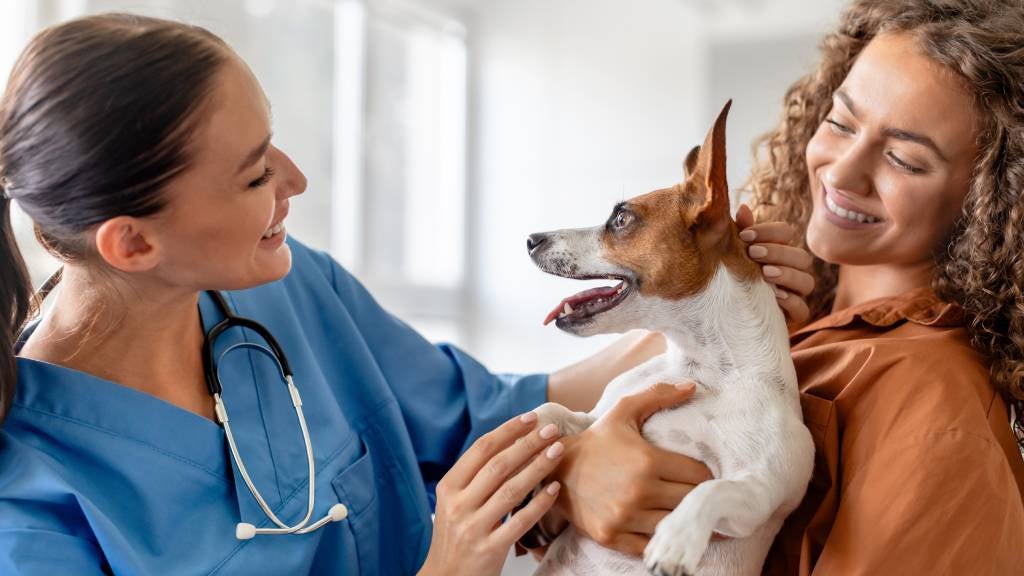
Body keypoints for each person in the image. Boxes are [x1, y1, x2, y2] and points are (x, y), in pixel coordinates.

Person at [0, 14, 812, 575]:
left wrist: (720, 301)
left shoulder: (292, 290)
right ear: (132, 242)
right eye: (254, 174)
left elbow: (489, 409)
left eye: (273, 141)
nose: (296, 180)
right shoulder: (32, 503)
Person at [537, 0, 1024, 573]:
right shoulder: (795, 330)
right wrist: (571, 476)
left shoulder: (930, 398)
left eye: (903, 159)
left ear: (992, 201)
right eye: (840, 122)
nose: (841, 173)